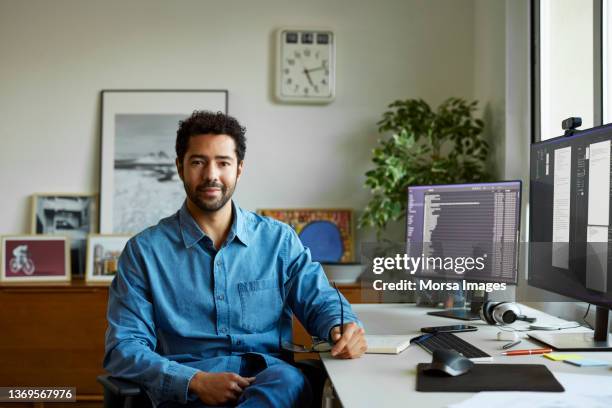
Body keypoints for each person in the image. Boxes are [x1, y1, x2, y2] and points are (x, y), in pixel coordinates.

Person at [104, 111, 367, 407]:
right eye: (198, 162)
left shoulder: (278, 240)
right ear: (180, 167)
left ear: (239, 169)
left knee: (289, 380)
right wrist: (195, 382)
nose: (211, 175)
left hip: (269, 383)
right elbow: (123, 348)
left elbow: (320, 300)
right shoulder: (144, 252)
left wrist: (340, 326)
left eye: (223, 163)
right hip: (187, 392)